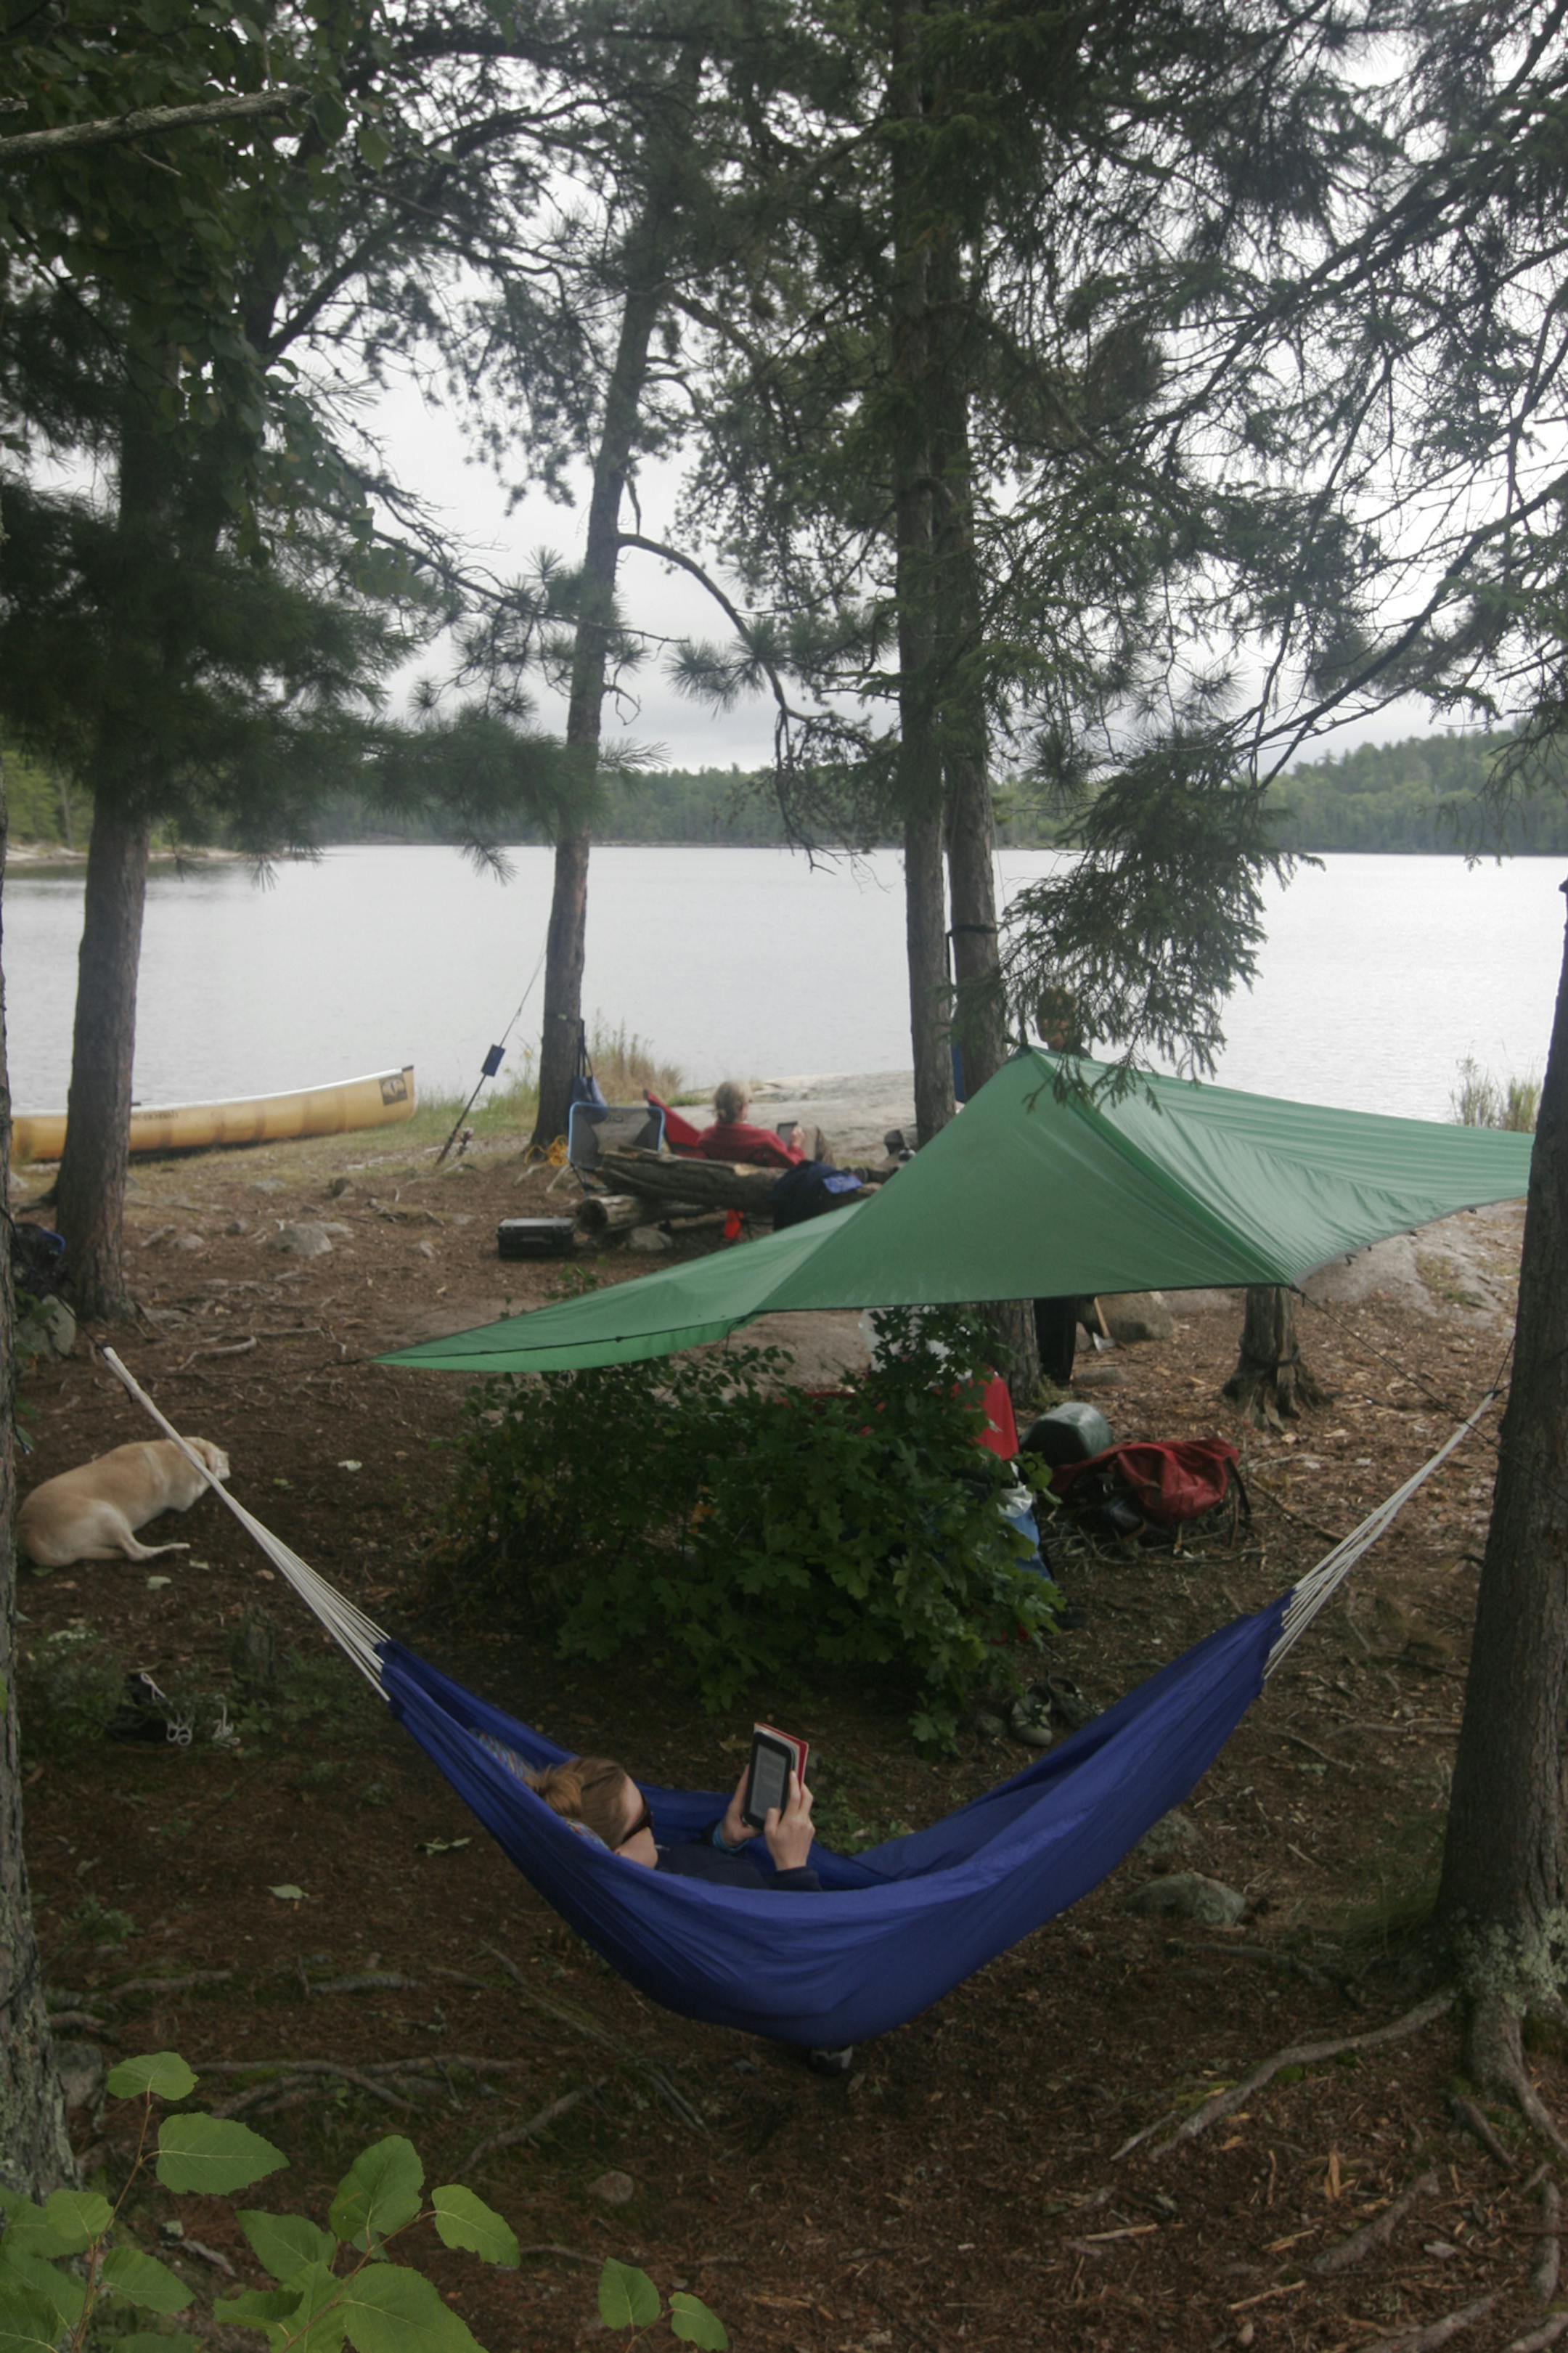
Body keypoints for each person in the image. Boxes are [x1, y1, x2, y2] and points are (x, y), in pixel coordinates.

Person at [522, 1752, 822, 1889]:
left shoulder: (650, 1870)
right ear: (618, 1856)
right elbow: (794, 1949)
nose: (654, 1823)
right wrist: (793, 1868)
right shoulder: (690, 1906)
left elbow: (689, 1864)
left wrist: (723, 1840)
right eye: (645, 1819)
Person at [698, 1080, 807, 1170]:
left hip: (730, 1190)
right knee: (812, 1134)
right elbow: (795, 1165)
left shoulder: (705, 1138)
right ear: (741, 1108)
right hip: (771, 1190)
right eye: (748, 1103)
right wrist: (795, 1146)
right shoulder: (764, 1139)